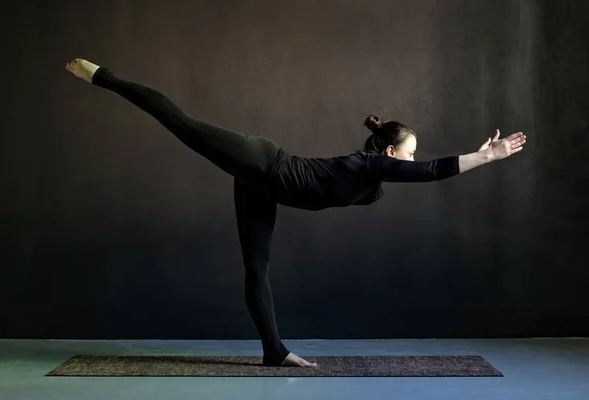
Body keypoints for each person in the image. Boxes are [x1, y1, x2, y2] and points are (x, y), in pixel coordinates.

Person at [65, 58, 526, 368]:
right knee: (180, 123)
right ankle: (101, 75)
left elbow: (422, 170)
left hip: (261, 187)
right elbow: (428, 172)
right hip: (260, 161)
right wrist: (484, 157)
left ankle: (274, 352)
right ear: (388, 150)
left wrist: (472, 156)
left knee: (256, 267)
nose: (410, 160)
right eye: (408, 152)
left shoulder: (374, 182)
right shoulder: (370, 163)